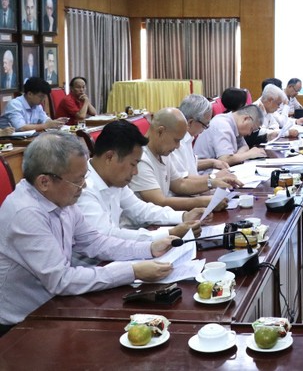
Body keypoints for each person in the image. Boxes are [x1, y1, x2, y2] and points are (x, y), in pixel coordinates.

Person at [0, 132, 174, 332]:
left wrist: (149, 248)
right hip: (21, 324)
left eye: (84, 176)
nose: (83, 186)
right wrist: (132, 271)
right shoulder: (26, 213)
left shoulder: (61, 198)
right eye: (77, 180)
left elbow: (95, 242)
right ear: (44, 182)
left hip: (54, 305)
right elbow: (62, 280)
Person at [75, 121, 206, 263]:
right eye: (133, 164)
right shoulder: (82, 188)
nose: (135, 171)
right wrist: (169, 233)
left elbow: (141, 210)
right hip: (91, 267)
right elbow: (107, 237)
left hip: (115, 258)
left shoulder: (114, 180)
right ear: (110, 157)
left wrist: (183, 216)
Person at [129, 108, 241, 211]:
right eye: (176, 140)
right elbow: (159, 202)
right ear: (160, 131)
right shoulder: (140, 159)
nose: (178, 146)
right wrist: (202, 202)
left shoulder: (162, 152)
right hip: (144, 227)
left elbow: (179, 184)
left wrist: (212, 182)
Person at [194, 104, 268, 166]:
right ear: (246, 119)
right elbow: (224, 160)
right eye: (251, 129)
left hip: (220, 171)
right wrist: (248, 154)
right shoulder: (222, 125)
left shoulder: (234, 124)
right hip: (206, 174)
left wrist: (236, 157)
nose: (249, 134)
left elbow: (245, 147)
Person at [174, 94, 229, 175]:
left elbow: (190, 164)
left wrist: (212, 163)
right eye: (204, 125)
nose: (204, 130)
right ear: (190, 122)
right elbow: (182, 182)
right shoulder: (176, 143)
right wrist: (213, 178)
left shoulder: (188, 137)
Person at [0, 77, 66, 132]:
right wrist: (46, 125)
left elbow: (45, 119)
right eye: (41, 96)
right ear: (30, 94)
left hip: (26, 139)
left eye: (44, 97)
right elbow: (21, 127)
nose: (43, 100)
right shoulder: (14, 104)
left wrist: (55, 122)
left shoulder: (37, 105)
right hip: (9, 142)